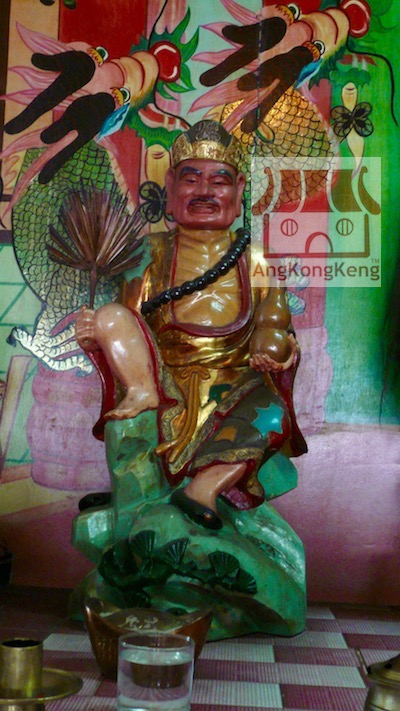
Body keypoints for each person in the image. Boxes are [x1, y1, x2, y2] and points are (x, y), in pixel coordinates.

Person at [75, 120, 306, 530]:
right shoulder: (147, 254)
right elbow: (126, 326)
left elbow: (275, 325)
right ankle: (136, 495)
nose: (204, 192)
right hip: (162, 387)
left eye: (219, 182)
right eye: (191, 179)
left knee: (272, 415)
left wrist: (276, 352)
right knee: (130, 398)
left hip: (235, 390)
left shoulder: (257, 262)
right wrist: (98, 333)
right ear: (170, 187)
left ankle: (204, 489)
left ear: (239, 189)